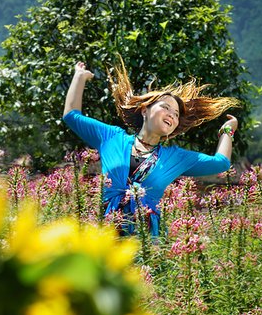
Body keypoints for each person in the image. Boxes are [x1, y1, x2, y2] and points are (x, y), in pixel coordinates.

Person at [62, 60, 240, 236]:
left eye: (176, 114)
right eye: (166, 107)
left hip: (146, 246)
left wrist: (227, 131)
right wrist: (79, 77)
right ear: (144, 110)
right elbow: (71, 116)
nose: (171, 114)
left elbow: (221, 163)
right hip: (103, 237)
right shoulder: (112, 138)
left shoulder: (176, 157)